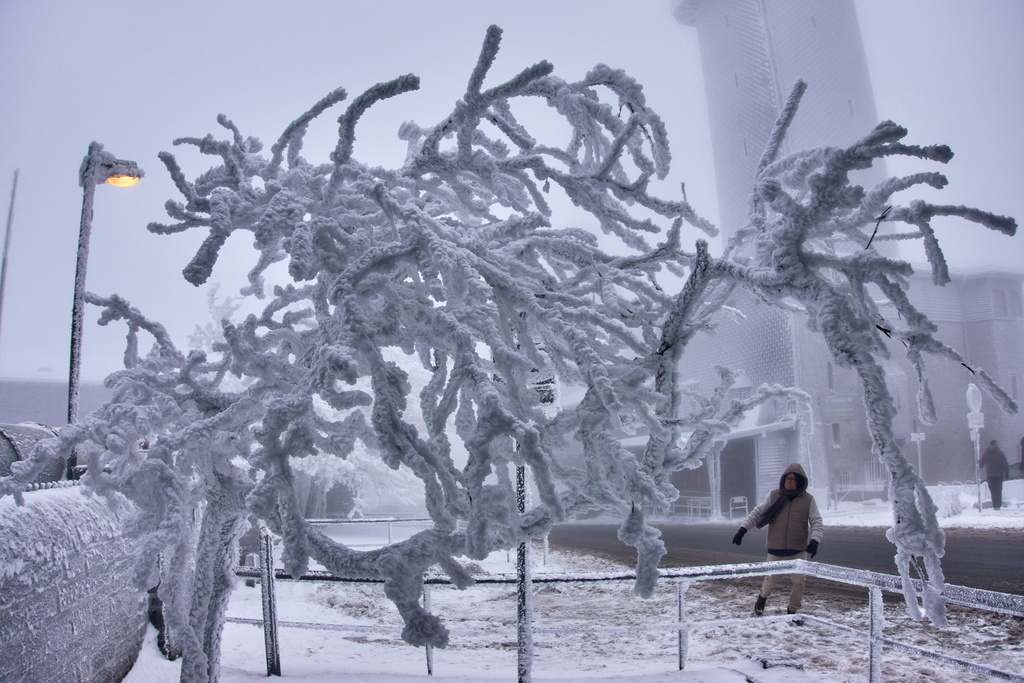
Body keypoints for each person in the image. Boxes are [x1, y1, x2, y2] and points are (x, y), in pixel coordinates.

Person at [731, 463, 823, 617]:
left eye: (793, 479)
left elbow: (816, 522)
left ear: (800, 481)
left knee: (799, 582)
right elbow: (757, 513)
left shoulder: (808, 500)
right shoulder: (774, 496)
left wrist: (814, 541)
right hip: (776, 549)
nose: (789, 482)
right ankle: (762, 599)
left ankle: (793, 611)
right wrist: (743, 529)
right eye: (787, 479)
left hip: (797, 550)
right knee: (770, 580)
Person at [979, 439, 1010, 510]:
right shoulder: (1000, 453)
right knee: (998, 490)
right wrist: (1007, 473)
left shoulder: (986, 453)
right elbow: (1005, 464)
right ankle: (998, 505)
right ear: (995, 444)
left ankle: (995, 505)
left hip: (990, 475)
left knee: (993, 491)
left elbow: (981, 464)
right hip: (999, 475)